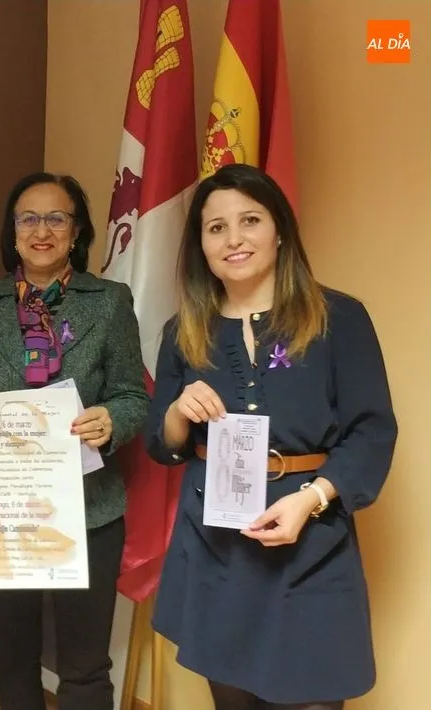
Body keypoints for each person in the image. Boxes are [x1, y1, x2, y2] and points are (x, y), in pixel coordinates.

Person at [144, 163, 397, 710]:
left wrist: (312, 499)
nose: (234, 239)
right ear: (201, 246)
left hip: (314, 543)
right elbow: (160, 445)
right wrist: (178, 414)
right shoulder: (182, 330)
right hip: (216, 549)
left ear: (279, 229)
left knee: (315, 697)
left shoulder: (339, 318)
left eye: (249, 220)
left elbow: (372, 432)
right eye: (216, 228)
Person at [0, 172, 149, 710]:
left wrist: (110, 421)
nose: (41, 230)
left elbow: (132, 396)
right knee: (14, 653)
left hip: (89, 510)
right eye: (29, 217)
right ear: (13, 230)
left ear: (76, 231)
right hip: (2, 513)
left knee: (85, 663)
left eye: (56, 218)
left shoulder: (111, 301)